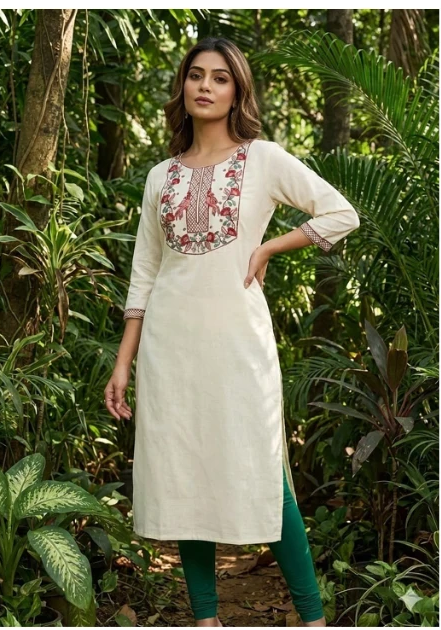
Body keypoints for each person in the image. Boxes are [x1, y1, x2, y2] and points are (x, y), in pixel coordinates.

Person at [104, 36, 360, 627]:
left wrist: (269, 246)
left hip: (239, 345)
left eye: (220, 78)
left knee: (265, 474)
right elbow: (145, 273)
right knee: (184, 474)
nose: (205, 86)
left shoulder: (263, 159)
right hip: (169, 347)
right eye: (196, 75)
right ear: (183, 86)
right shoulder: (161, 177)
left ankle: (313, 618)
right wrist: (124, 362)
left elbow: (340, 213)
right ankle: (205, 618)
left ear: (237, 90)